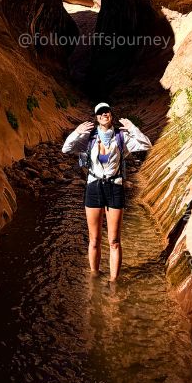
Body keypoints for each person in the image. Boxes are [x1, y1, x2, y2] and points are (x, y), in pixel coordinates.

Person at [61, 102, 152, 280]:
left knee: (115, 241)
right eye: (100, 113)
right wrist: (77, 132)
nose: (104, 114)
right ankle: (94, 277)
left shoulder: (121, 137)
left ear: (111, 115)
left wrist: (133, 128)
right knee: (94, 240)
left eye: (107, 112)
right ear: (96, 117)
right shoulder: (89, 137)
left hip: (115, 187)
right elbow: (66, 148)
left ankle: (113, 283)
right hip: (94, 187)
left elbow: (146, 144)